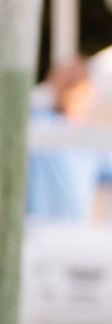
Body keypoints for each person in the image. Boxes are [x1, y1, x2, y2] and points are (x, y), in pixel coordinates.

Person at [26, 58, 112, 221]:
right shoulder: (37, 123)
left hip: (71, 234)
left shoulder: (92, 139)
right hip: (36, 231)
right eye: (68, 82)